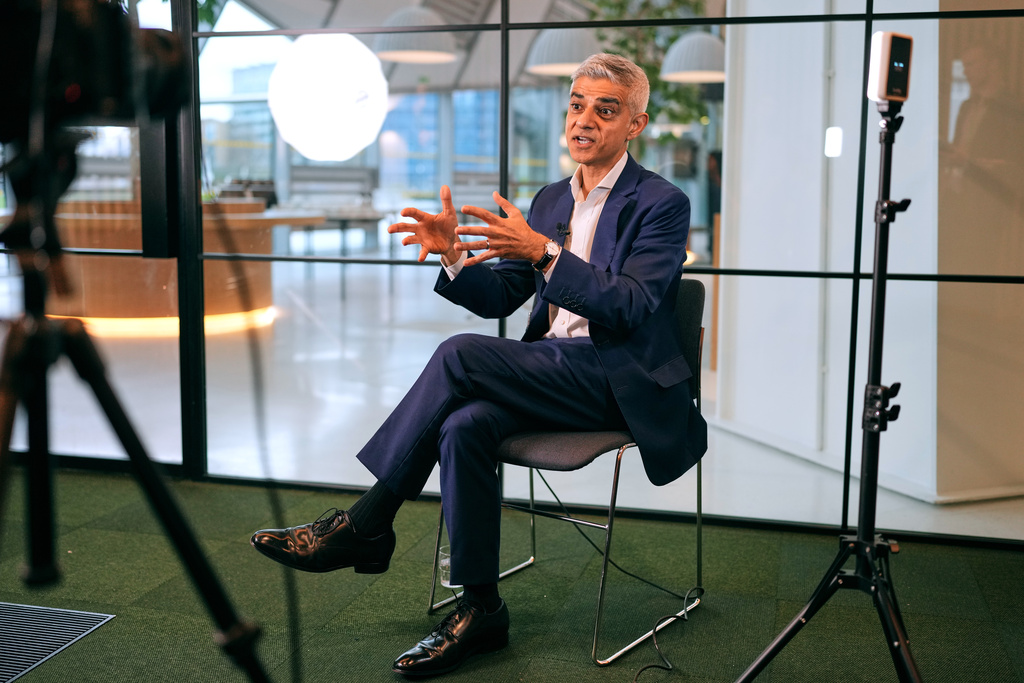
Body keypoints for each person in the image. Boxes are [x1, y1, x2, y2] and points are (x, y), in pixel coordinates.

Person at [250, 52, 708, 677]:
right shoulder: (550, 200)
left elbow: (629, 306)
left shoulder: (662, 202)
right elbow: (501, 296)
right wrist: (454, 259)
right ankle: (481, 609)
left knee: (459, 354)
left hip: (616, 382)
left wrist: (547, 254)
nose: (585, 121)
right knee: (465, 425)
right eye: (577, 105)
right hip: (552, 368)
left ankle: (366, 522)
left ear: (636, 124)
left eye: (606, 110)